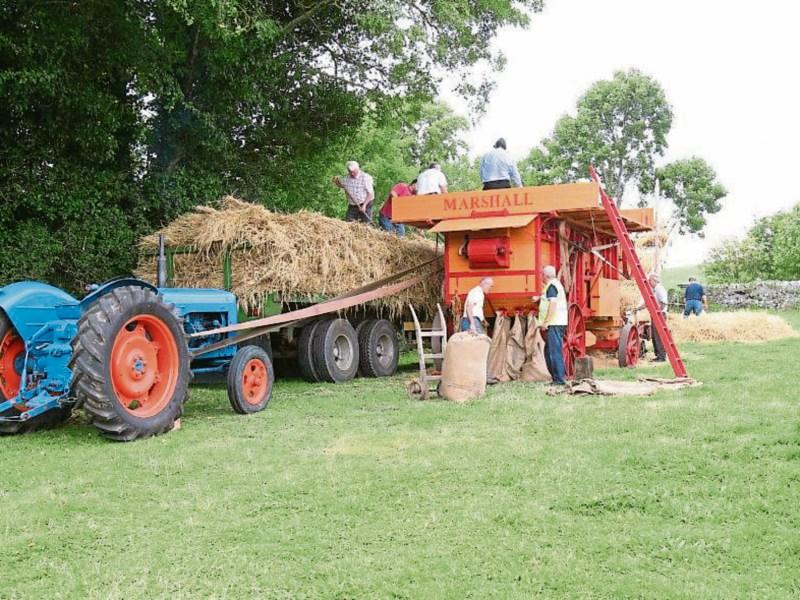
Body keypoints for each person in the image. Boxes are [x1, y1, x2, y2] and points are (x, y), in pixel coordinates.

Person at [535, 265, 568, 385]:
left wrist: (546, 322)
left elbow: (552, 305)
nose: (541, 277)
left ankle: (559, 380)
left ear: (546, 276)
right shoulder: (555, 284)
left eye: (542, 275)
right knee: (549, 350)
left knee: (554, 352)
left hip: (554, 323)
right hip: (557, 322)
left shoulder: (551, 286)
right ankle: (556, 378)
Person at [637, 273, 669, 362]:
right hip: (656, 315)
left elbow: (664, 303)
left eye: (649, 280)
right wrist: (637, 308)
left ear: (654, 280)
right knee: (655, 335)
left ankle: (661, 356)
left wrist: (657, 312)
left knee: (659, 335)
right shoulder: (654, 290)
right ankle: (658, 355)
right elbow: (647, 302)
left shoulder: (659, 289)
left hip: (660, 314)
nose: (648, 282)